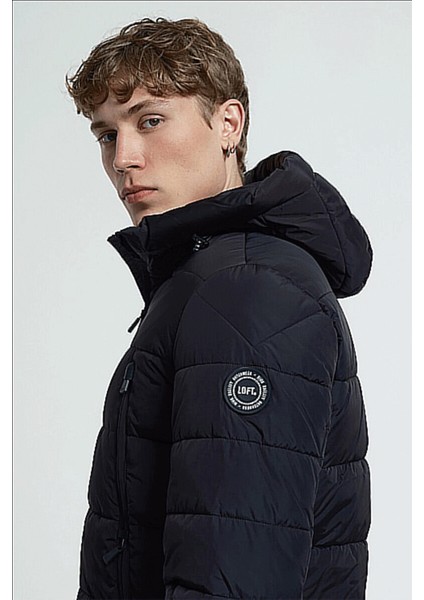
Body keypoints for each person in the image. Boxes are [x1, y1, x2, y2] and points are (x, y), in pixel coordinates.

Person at [66, 16, 373, 600]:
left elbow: (237, 576)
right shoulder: (214, 275)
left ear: (228, 124)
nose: (124, 158)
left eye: (150, 121)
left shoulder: (247, 289)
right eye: (106, 135)